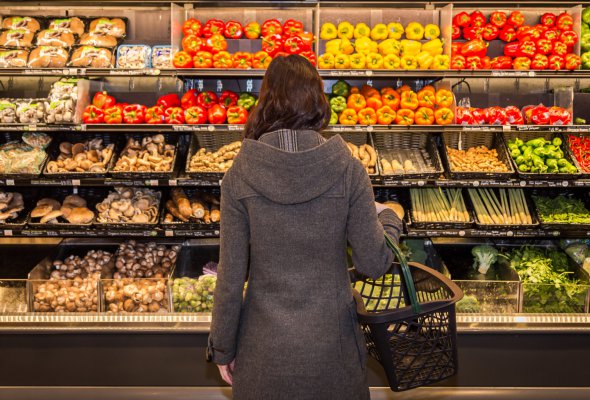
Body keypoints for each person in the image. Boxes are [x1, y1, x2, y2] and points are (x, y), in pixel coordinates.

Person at [208, 54, 403, 400]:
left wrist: (222, 347)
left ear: (265, 100)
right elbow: (374, 262)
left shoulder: (238, 174)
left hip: (263, 356)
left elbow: (230, 276)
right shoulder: (348, 170)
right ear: (318, 99)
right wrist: (389, 218)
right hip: (334, 357)